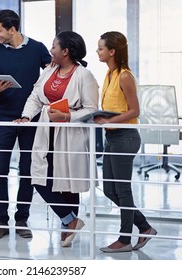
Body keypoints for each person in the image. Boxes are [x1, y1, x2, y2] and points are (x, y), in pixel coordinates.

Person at [16, 31, 99, 247]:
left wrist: (67, 116)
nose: (50, 50)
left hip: (70, 134)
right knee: (39, 177)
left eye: (54, 46)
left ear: (66, 51)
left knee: (68, 181)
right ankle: (71, 221)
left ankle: (67, 229)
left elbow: (91, 109)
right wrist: (26, 116)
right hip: (46, 131)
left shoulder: (84, 75)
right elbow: (35, 96)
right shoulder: (49, 70)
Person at [0, 9, 51, 240]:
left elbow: (54, 75)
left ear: (12, 29)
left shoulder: (38, 48)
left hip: (32, 120)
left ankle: (22, 219)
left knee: (27, 171)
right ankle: (0, 221)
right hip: (3, 119)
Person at [95, 31, 157, 253]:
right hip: (112, 136)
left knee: (122, 190)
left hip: (126, 137)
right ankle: (144, 227)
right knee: (109, 190)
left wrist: (107, 119)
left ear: (112, 51)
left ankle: (124, 239)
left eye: (101, 48)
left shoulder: (124, 76)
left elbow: (135, 110)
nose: (97, 51)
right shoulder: (109, 74)